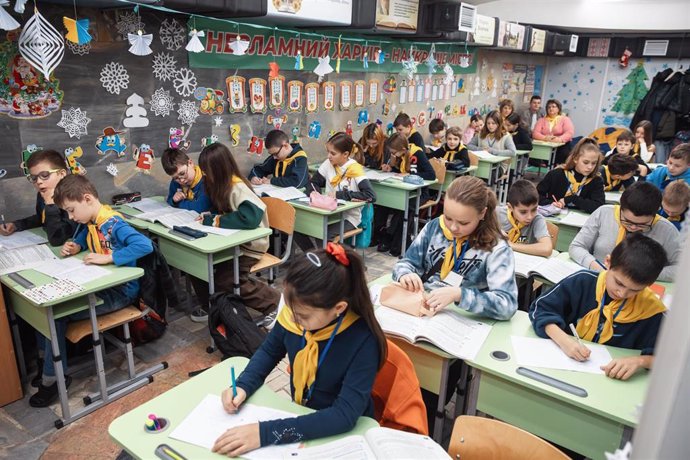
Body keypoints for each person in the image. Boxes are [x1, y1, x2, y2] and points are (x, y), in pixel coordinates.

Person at [212, 244, 388, 457]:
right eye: (289, 309)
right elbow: (269, 351)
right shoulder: (294, 316)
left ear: (338, 309)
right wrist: (243, 385)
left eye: (303, 316)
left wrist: (265, 433)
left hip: (344, 435)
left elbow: (344, 416)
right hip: (303, 417)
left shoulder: (363, 339)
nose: (293, 319)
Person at [30, 175, 154, 407]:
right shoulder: (91, 222)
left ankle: (53, 379)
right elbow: (89, 237)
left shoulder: (112, 223)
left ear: (87, 199)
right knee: (40, 309)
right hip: (103, 285)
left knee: (55, 314)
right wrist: (77, 245)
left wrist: (110, 258)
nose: (71, 217)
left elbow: (144, 245)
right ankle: (45, 365)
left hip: (121, 291)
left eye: (71, 210)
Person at [531, 234, 668, 381]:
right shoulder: (582, 282)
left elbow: (671, 358)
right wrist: (564, 341)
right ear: (608, 263)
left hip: (610, 381)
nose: (622, 293)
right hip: (560, 366)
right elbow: (540, 309)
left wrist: (640, 361)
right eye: (619, 283)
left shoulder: (652, 310)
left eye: (635, 290)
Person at [392, 175, 518, 321]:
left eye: (463, 223)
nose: (453, 227)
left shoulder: (497, 248)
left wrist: (459, 294)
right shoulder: (434, 227)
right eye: (448, 217)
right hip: (423, 309)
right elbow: (406, 263)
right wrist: (405, 274)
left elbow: (507, 305)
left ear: (482, 213)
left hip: (463, 319)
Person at [191, 142, 280, 322]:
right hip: (233, 241)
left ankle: (274, 303)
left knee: (227, 280)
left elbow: (250, 218)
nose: (205, 175)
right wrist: (214, 215)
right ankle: (213, 306)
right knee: (196, 264)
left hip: (252, 244)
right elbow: (228, 211)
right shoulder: (221, 184)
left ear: (220, 168)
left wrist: (215, 220)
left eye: (207, 170)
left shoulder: (237, 186)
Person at [569, 181, 681, 282]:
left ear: (655, 214)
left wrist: (643, 274)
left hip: (640, 288)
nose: (632, 228)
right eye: (627, 221)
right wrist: (596, 267)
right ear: (621, 207)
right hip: (599, 277)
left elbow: (680, 269)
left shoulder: (667, 230)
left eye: (642, 224)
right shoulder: (604, 213)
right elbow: (576, 246)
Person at [298, 133, 376, 250]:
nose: (329, 156)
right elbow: (313, 183)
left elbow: (371, 196)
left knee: (323, 234)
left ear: (345, 154)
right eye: (328, 152)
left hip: (348, 217)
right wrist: (316, 194)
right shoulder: (328, 163)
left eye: (333, 153)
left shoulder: (355, 169)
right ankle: (313, 256)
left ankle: (326, 263)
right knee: (298, 227)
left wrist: (339, 195)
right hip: (328, 212)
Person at [0, 149, 76, 246]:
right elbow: (42, 218)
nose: (39, 182)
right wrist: (16, 225)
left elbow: (57, 239)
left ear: (61, 174)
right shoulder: (43, 193)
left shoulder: (73, 198)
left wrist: (50, 204)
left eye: (44, 175)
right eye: (34, 178)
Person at [377, 133, 436, 256]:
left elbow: (431, 174)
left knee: (405, 208)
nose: (393, 155)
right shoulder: (401, 154)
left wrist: (410, 175)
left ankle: (397, 243)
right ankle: (386, 238)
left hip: (420, 193)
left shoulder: (417, 153)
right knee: (385, 204)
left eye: (394, 152)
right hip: (405, 191)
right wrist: (390, 169)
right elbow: (401, 171)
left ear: (403, 149)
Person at [536, 138, 605, 214]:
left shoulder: (596, 180)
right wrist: (550, 203)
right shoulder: (556, 174)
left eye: (594, 163)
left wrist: (573, 199)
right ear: (575, 159)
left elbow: (599, 207)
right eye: (586, 162)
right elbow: (536, 196)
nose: (590, 167)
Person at [497, 179, 552, 257]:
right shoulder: (496, 214)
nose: (530, 217)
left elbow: (547, 249)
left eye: (534, 210)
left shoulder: (537, 219)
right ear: (510, 207)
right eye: (523, 212)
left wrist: (510, 245)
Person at [161, 148, 212, 212]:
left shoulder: (205, 180)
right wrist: (174, 200)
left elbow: (200, 207)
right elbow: (169, 199)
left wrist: (178, 204)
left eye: (182, 173)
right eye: (176, 178)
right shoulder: (175, 183)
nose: (181, 180)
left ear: (190, 163)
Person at [532, 98, 575, 164]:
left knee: (563, 154)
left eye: (553, 107)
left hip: (562, 146)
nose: (551, 109)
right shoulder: (541, 120)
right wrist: (545, 138)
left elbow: (569, 132)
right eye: (549, 107)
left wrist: (559, 139)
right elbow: (535, 133)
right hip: (546, 145)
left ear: (558, 109)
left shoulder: (565, 119)